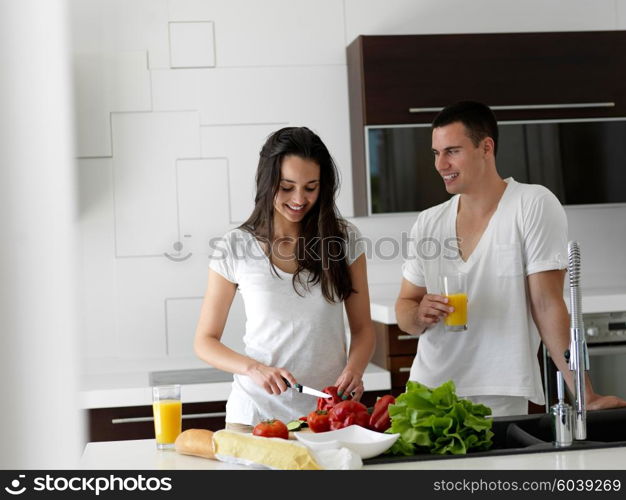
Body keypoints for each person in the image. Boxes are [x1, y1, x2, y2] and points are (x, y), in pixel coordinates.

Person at [395, 101, 626, 417]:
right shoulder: (428, 222)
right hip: (427, 390)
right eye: (436, 153)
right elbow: (405, 309)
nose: (440, 164)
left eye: (452, 151)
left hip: (499, 392)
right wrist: (419, 314)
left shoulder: (532, 204)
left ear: (486, 148)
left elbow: (547, 305)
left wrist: (585, 395)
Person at [194, 126, 375, 431]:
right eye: (287, 187)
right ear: (268, 183)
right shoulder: (235, 246)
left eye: (310, 187)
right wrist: (254, 369)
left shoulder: (344, 240)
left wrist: (354, 370)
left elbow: (363, 329)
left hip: (328, 416)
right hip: (255, 415)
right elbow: (204, 341)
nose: (299, 199)